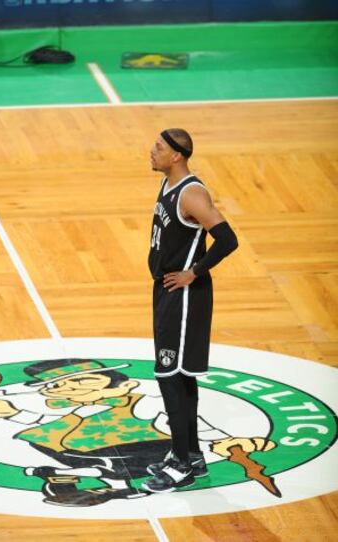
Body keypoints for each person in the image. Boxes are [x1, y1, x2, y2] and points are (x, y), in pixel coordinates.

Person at [142, 128, 239, 493]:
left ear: (177, 156)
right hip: (166, 291)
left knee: (170, 377)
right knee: (180, 376)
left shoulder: (192, 193)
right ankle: (192, 455)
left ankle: (181, 463)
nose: (152, 152)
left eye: (159, 148)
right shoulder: (169, 184)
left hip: (184, 296)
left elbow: (228, 240)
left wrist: (193, 273)